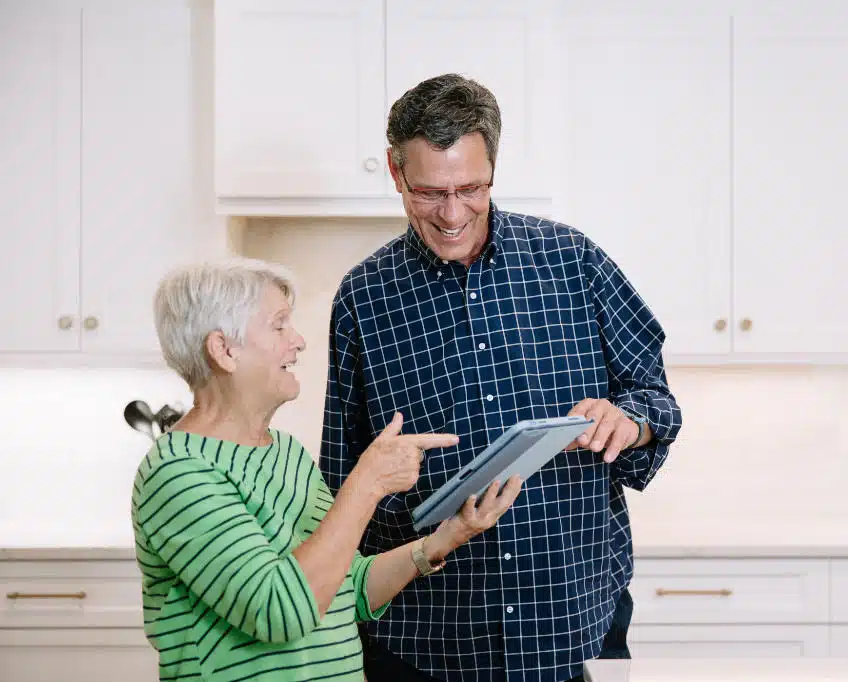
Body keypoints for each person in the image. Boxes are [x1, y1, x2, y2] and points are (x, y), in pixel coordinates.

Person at [320, 73, 682, 682]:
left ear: (493, 168)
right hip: (426, 637)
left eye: (470, 188)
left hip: (573, 621)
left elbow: (657, 401)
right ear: (395, 172)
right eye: (431, 192)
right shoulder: (364, 297)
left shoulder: (573, 261)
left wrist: (629, 422)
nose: (452, 213)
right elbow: (340, 476)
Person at [131, 258, 522, 682]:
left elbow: (348, 588)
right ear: (225, 350)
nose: (298, 341)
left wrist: (448, 536)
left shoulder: (286, 453)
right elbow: (280, 610)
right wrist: (367, 483)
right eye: (279, 326)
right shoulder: (178, 473)